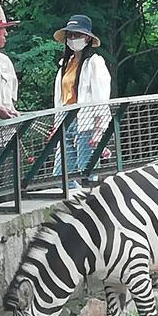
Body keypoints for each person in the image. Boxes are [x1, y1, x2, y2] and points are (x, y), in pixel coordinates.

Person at [52, 14, 111, 188]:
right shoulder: (65, 63)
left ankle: (88, 206)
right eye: (70, 35)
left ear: (87, 38)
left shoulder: (94, 63)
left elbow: (101, 96)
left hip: (86, 122)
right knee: (60, 174)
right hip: (65, 120)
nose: (72, 39)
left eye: (77, 35)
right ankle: (74, 204)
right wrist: (56, 126)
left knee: (86, 171)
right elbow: (60, 98)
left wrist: (99, 129)